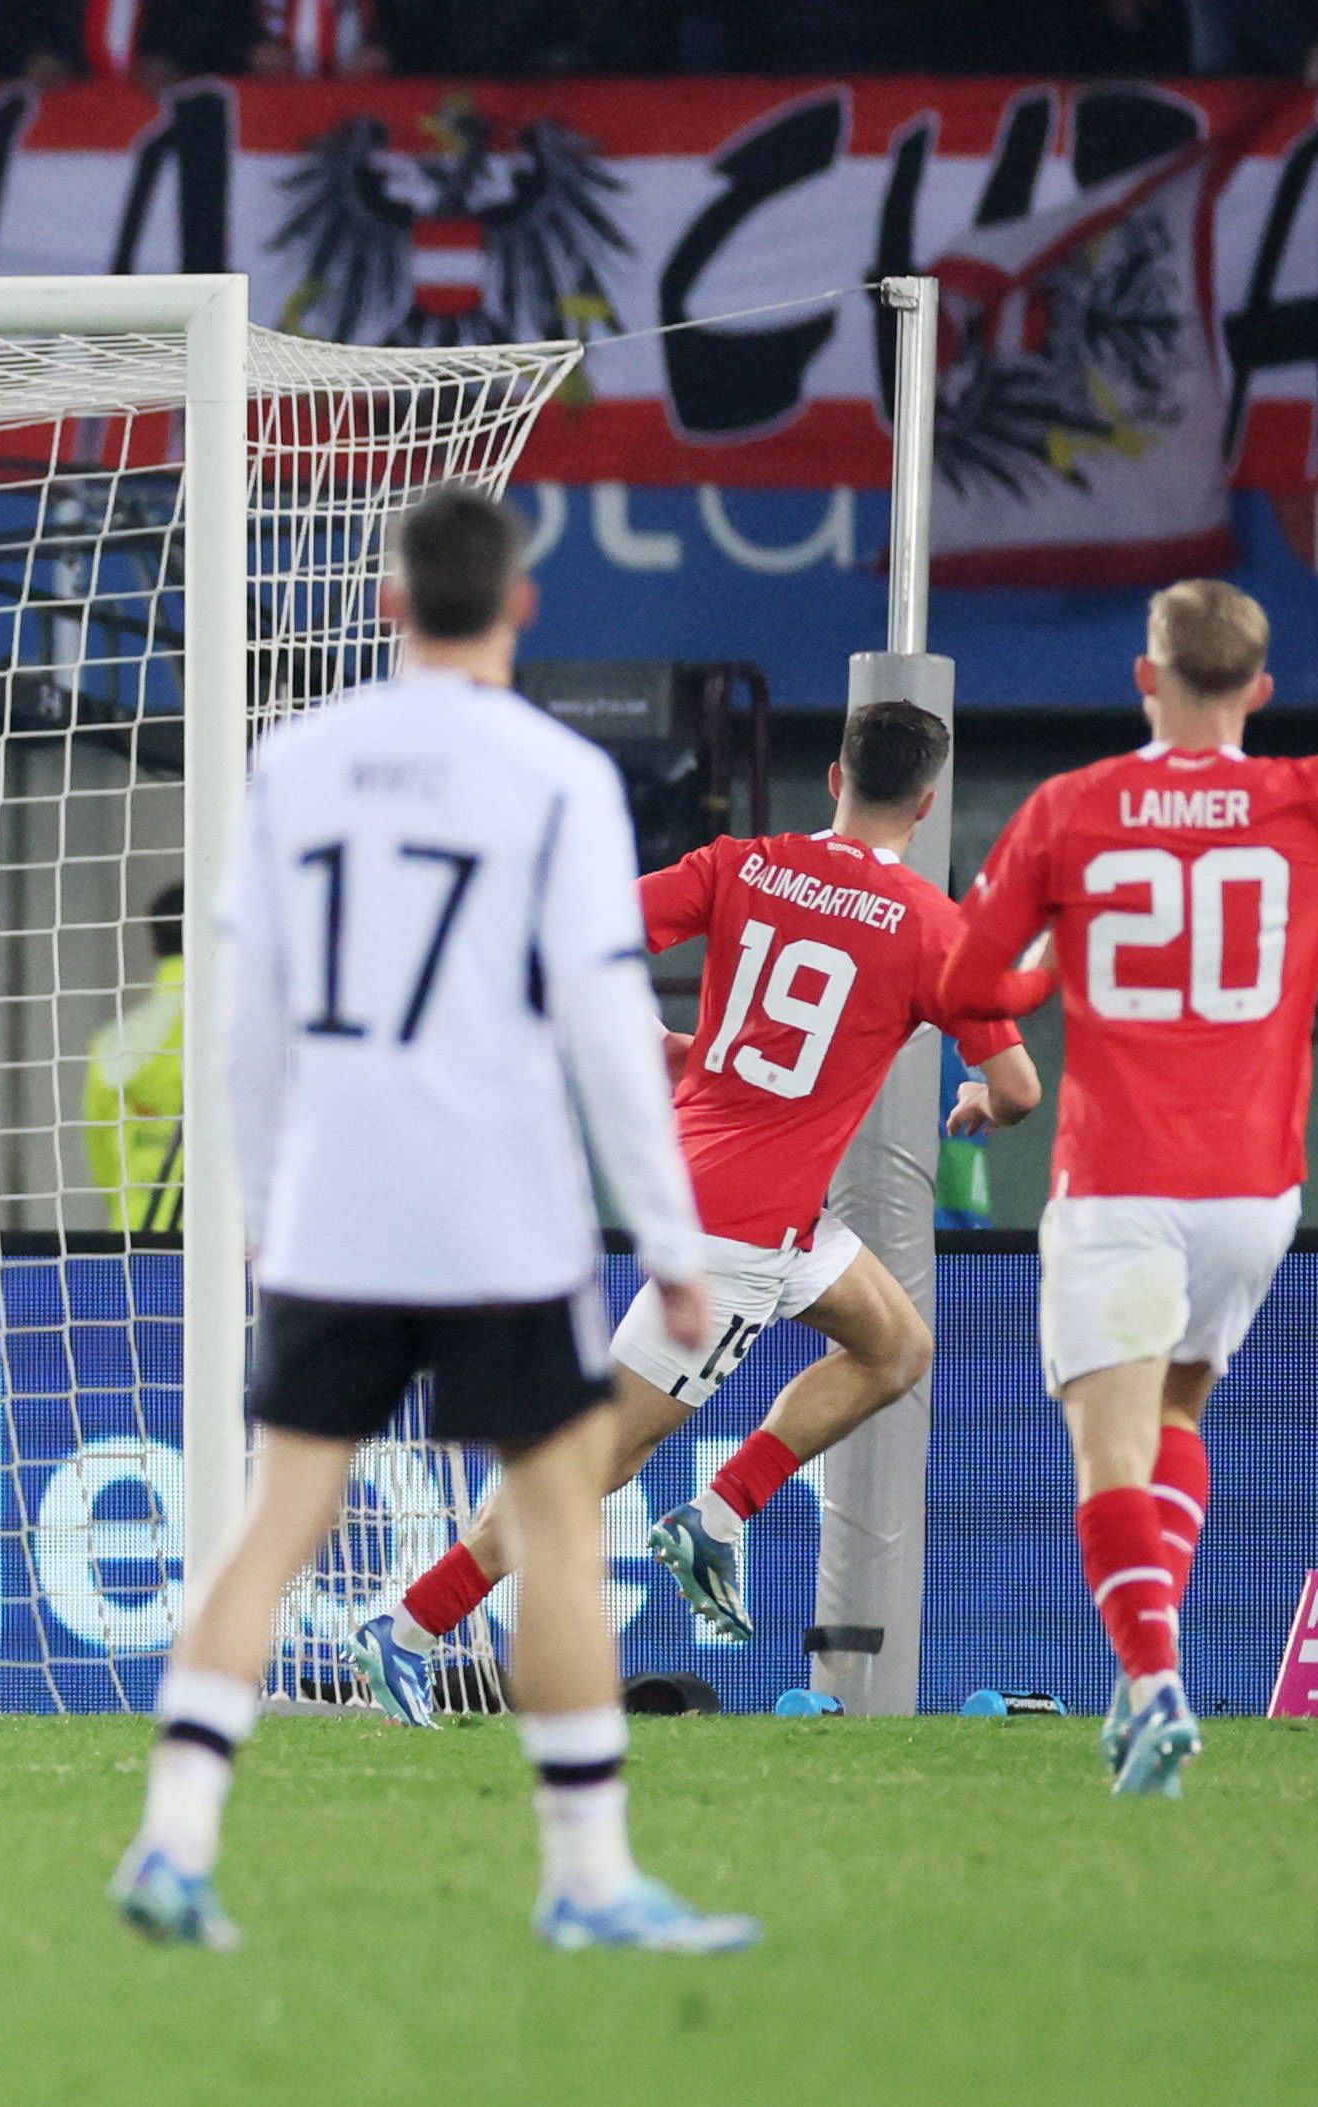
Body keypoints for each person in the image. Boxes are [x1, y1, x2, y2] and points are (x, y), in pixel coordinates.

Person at [107, 487, 754, 1954]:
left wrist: (262, 1200)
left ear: (389, 604)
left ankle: (173, 1834)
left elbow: (244, 1012)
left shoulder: (296, 759)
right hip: (496, 1214)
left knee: (276, 1521)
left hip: (336, 1203)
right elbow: (603, 1019)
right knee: (556, 1533)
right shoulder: (554, 775)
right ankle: (587, 1875)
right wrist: (666, 1229)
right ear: (518, 607)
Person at [353, 700, 1042, 1719]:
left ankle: (716, 1517)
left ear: (831, 775)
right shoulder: (935, 931)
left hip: (746, 1200)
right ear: (928, 803)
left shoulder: (739, 864)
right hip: (737, 1230)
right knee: (599, 1455)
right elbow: (1019, 1088)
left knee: (893, 1346)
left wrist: (660, 1041)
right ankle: (405, 1628)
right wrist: (980, 1098)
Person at [937, 578, 1318, 1799]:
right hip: (1254, 1189)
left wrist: (1056, 961)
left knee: (1106, 1456)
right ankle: (1132, 1681)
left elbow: (964, 980)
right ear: (1258, 690)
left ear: (1142, 677)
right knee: (1177, 1421)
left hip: (1117, 1182)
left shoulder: (1070, 808)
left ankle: (1154, 1681)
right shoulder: (1302, 805)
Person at [82, 880, 185, 1233]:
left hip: (139, 1236)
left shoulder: (115, 1042)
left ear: (154, 946)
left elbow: (101, 1150)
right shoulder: (242, 1033)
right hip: (232, 1247)